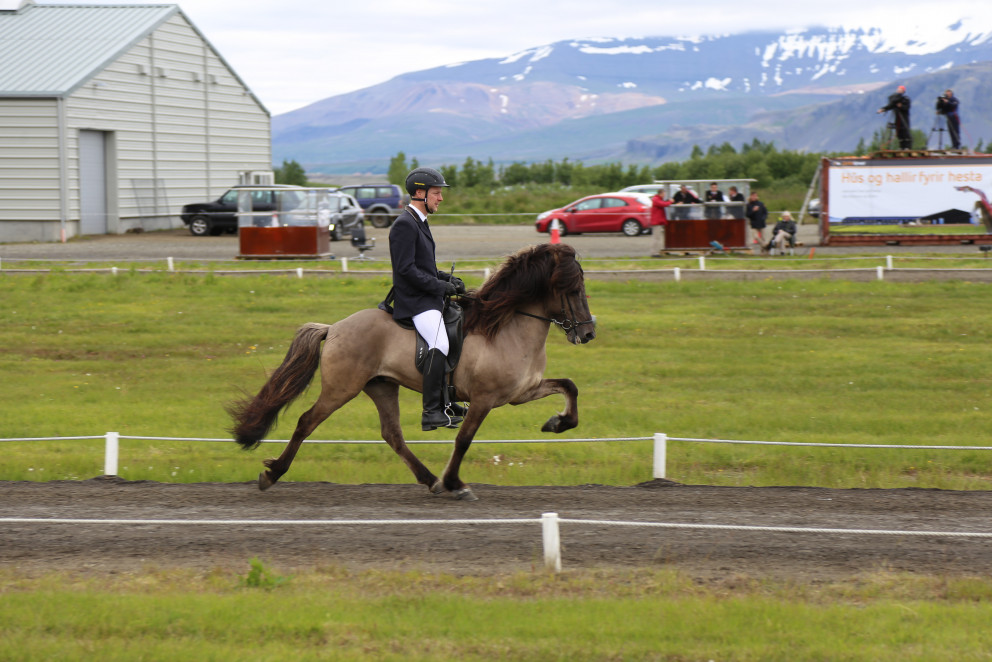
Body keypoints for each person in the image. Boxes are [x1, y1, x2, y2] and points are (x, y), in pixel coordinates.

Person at [388, 167, 466, 431]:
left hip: (426, 295)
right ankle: (432, 411)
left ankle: (447, 401)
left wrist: (447, 279)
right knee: (439, 343)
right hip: (414, 301)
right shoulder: (404, 224)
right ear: (420, 193)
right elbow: (406, 270)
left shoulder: (419, 221)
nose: (440, 198)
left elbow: (424, 267)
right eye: (436, 193)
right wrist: (440, 287)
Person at [878, 84, 912, 149]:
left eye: (901, 89)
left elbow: (907, 107)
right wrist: (883, 109)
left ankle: (907, 147)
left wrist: (901, 106)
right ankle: (902, 147)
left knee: (905, 132)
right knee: (899, 132)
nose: (899, 90)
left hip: (904, 117)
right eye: (898, 89)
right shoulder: (895, 99)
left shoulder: (906, 99)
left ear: (903, 91)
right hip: (897, 117)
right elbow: (891, 106)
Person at [649, 188, 672, 257]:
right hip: (656, 222)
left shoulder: (658, 199)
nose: (664, 195)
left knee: (658, 238)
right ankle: (654, 253)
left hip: (659, 221)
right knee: (656, 238)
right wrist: (670, 201)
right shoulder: (656, 199)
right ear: (660, 193)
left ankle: (658, 251)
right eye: (664, 194)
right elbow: (663, 204)